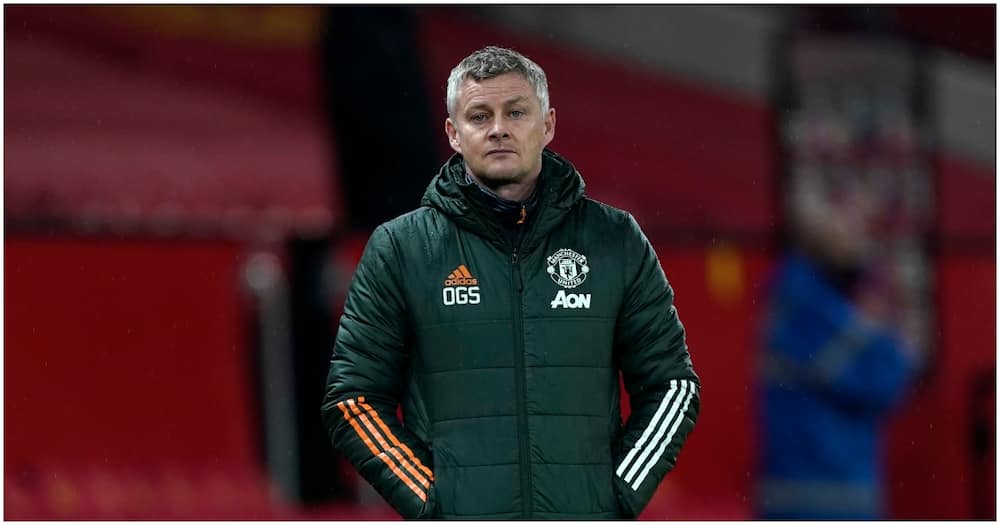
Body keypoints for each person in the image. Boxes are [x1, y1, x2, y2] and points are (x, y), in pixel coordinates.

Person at [322, 46, 700, 520]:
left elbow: (672, 385)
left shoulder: (614, 240)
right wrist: (433, 503)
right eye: (479, 115)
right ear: (453, 134)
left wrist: (615, 496)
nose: (498, 128)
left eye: (516, 112)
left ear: (548, 125)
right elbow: (353, 399)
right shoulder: (402, 249)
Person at [755, 174, 921, 519]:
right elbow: (887, 377)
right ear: (816, 223)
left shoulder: (818, 296)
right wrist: (893, 343)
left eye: (865, 222)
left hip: (833, 495)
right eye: (848, 217)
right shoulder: (802, 299)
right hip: (817, 500)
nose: (860, 235)